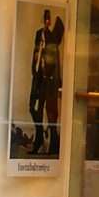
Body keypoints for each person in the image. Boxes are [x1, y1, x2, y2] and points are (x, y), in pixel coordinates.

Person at [29, 9, 65, 155]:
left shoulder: (52, 37)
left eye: (48, 19)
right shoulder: (39, 34)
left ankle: (53, 143)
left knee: (51, 113)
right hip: (38, 77)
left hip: (49, 79)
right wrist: (35, 69)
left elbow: (53, 58)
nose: (47, 21)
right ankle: (39, 139)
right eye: (45, 18)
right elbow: (35, 53)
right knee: (33, 108)